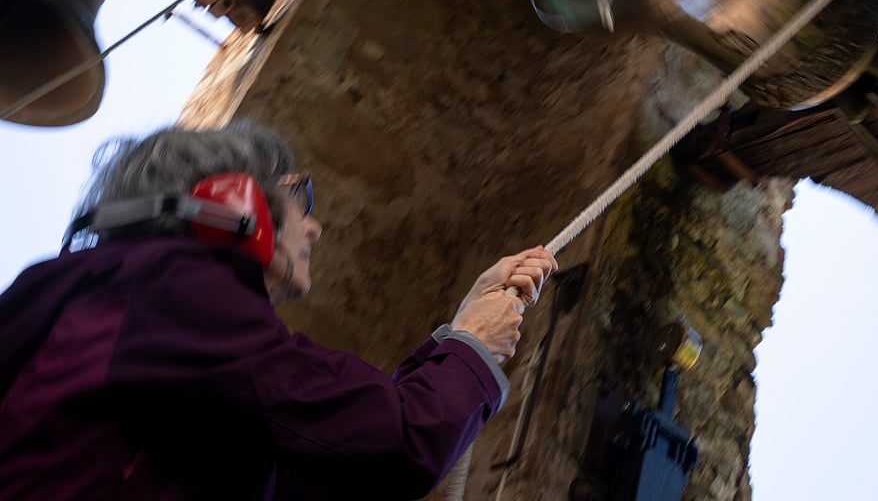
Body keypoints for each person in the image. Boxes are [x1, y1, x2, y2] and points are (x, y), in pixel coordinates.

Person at [0, 122, 557, 500]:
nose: (313, 226)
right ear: (230, 202)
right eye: (300, 200)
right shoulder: (176, 291)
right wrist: (472, 348)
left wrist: (457, 340)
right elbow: (397, 441)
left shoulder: (104, 294)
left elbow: (329, 457)